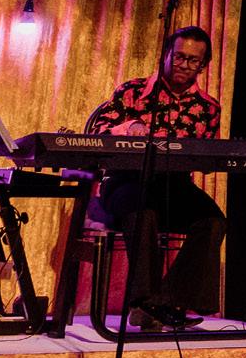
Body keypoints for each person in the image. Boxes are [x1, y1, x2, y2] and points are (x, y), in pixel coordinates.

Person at [86, 24, 225, 330]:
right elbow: (97, 131)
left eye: (193, 60)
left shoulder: (208, 107)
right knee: (143, 211)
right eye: (179, 57)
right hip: (125, 181)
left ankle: (168, 301)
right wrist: (130, 126)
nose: (184, 65)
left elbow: (208, 153)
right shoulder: (133, 91)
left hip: (174, 186)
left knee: (213, 220)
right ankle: (145, 302)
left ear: (203, 65)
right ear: (166, 55)